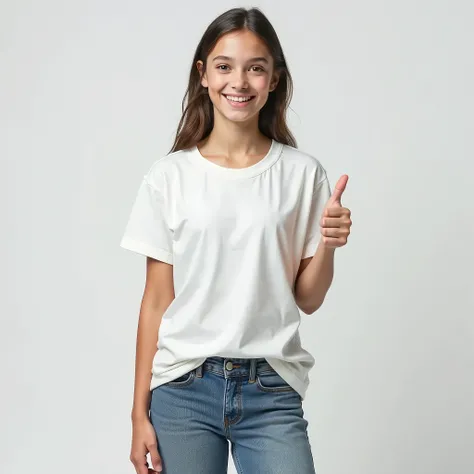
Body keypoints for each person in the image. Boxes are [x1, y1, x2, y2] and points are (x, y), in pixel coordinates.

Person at [120, 7, 352, 474]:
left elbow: (308, 299)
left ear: (274, 79)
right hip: (183, 386)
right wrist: (138, 413)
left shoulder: (303, 175)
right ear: (203, 74)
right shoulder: (169, 177)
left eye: (256, 68)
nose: (239, 82)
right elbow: (155, 301)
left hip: (271, 386)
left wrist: (327, 243)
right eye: (224, 66)